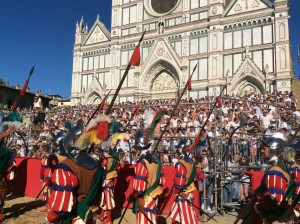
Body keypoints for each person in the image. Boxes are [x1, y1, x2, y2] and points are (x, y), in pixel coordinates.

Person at [44, 147, 104, 224]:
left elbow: (62, 206)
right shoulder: (96, 163)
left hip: (74, 217)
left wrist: (50, 218)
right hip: (90, 214)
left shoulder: (65, 167)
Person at [252, 132, 292, 223]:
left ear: (273, 149)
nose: (261, 151)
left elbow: (275, 198)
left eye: (264, 148)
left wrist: (258, 207)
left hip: (277, 217)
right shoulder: (278, 165)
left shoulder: (275, 169)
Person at [127, 130, 165, 224]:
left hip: (146, 198)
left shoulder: (141, 164)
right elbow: (162, 180)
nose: (135, 151)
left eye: (136, 149)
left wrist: (133, 196)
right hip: (154, 195)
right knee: (152, 219)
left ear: (140, 148)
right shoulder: (157, 161)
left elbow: (140, 188)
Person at [170, 138, 199, 224]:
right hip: (189, 189)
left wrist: (178, 190)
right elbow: (194, 176)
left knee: (186, 215)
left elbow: (180, 181)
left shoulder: (181, 163)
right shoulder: (191, 162)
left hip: (184, 191)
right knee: (176, 212)